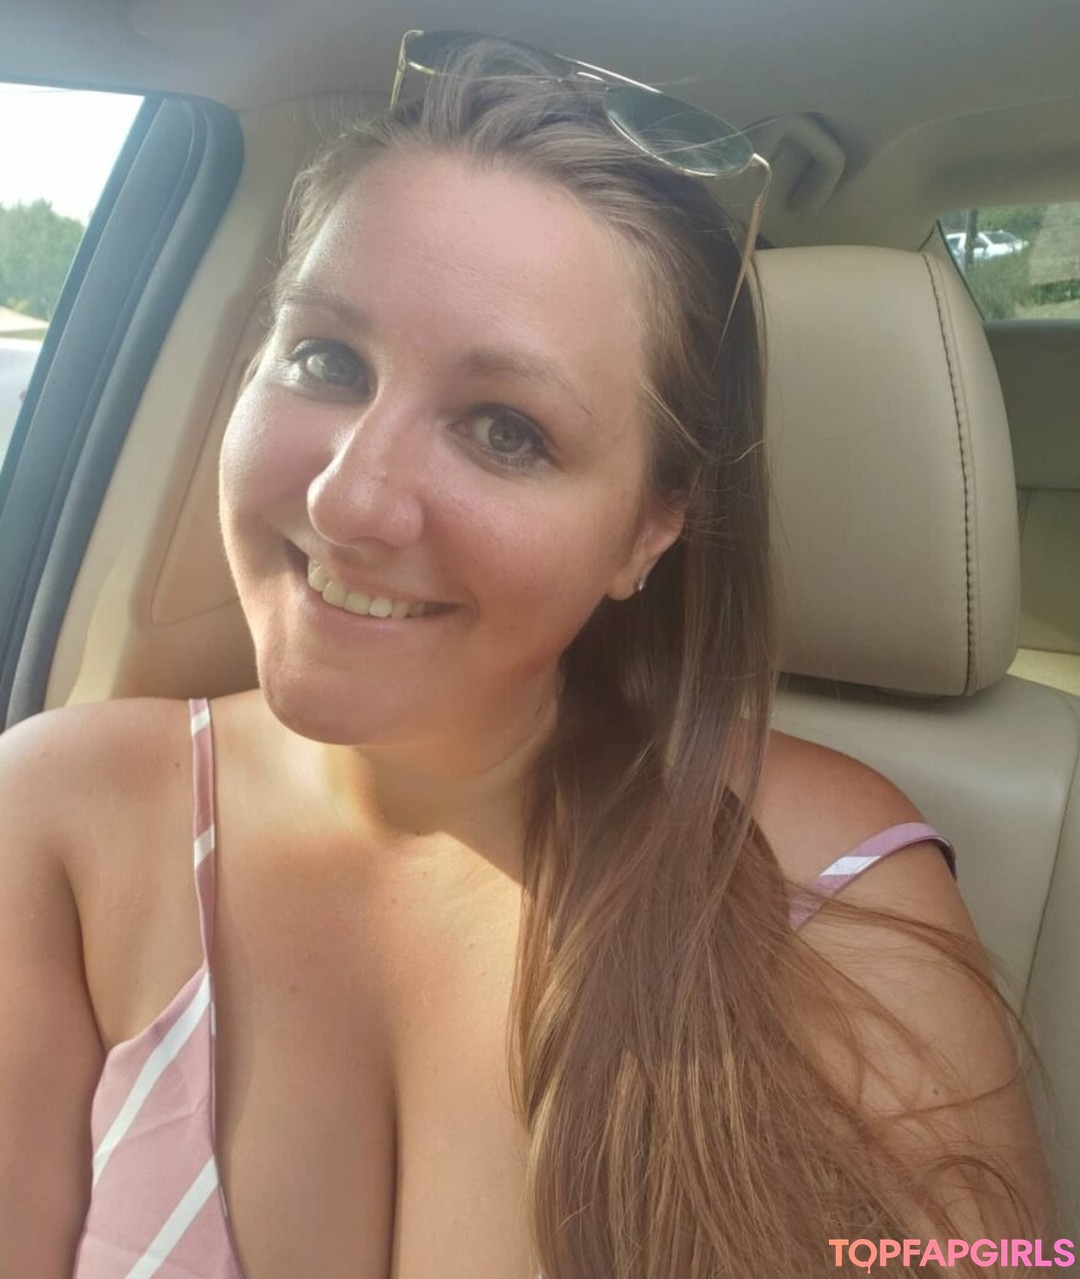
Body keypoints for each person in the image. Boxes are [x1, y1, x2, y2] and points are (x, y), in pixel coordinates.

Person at [0, 30, 1056, 1279]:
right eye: (326, 359)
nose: (348, 499)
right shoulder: (59, 814)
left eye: (506, 430)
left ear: (648, 531)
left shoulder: (831, 887)